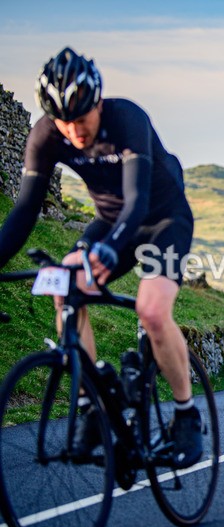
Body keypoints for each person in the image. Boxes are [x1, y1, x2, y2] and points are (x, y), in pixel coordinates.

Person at [0, 47, 202, 467]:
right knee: (65, 288)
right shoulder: (45, 135)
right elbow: (23, 212)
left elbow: (137, 199)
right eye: (63, 121)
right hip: (111, 223)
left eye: (81, 118)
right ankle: (94, 404)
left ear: (98, 103)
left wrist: (109, 250)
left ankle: (186, 414)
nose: (73, 130)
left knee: (151, 310)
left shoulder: (127, 119)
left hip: (163, 219)